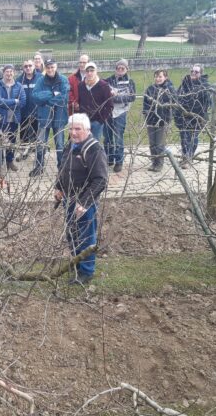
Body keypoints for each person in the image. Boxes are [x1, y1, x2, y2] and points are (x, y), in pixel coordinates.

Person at [54, 113, 108, 285]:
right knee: (72, 235)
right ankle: (77, 264)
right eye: (71, 129)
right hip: (68, 199)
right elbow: (63, 168)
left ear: (88, 129)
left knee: (86, 237)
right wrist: (59, 187)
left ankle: (86, 272)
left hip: (84, 203)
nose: (74, 132)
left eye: (78, 129)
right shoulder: (70, 144)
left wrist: (84, 203)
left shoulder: (94, 149)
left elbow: (100, 180)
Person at [30, 58, 69, 176]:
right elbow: (35, 97)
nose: (50, 69)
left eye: (52, 67)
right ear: (45, 68)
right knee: (40, 143)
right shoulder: (41, 81)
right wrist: (52, 94)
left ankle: (61, 168)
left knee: (60, 144)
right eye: (48, 67)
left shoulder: (63, 80)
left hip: (59, 116)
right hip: (44, 117)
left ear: (56, 67)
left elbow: (64, 98)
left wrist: (47, 101)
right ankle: (39, 166)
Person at [175, 64, 214, 167]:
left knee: (193, 138)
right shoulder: (185, 84)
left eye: (196, 72)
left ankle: (189, 157)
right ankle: (185, 157)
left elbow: (208, 103)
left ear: (200, 73)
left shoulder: (204, 86)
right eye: (192, 71)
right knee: (184, 138)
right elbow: (178, 97)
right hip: (184, 116)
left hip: (197, 117)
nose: (193, 73)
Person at [104, 59, 136, 173]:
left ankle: (119, 161)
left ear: (127, 69)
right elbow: (104, 94)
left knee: (118, 137)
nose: (120, 70)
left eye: (123, 68)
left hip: (121, 113)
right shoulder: (108, 80)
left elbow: (131, 97)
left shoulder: (130, 82)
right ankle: (109, 158)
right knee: (107, 137)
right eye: (118, 68)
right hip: (108, 113)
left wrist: (116, 98)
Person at [0, 64, 26, 176]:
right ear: (3, 73)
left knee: (11, 142)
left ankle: (9, 161)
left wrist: (7, 103)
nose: (9, 74)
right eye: (7, 71)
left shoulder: (19, 86)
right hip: (1, 119)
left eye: (11, 71)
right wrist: (14, 101)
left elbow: (22, 102)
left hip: (13, 119)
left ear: (14, 73)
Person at [142, 69, 176, 172]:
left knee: (159, 143)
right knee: (152, 143)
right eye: (156, 76)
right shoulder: (150, 89)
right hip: (151, 120)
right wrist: (146, 113)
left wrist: (167, 116)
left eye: (160, 76)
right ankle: (154, 162)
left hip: (162, 120)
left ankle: (159, 163)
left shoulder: (169, 89)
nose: (158, 79)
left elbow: (173, 104)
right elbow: (145, 103)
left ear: (165, 77)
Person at [75, 62, 113, 141]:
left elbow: (109, 105)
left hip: (97, 121)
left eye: (92, 71)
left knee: (94, 143)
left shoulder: (103, 85)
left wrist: (101, 120)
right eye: (87, 71)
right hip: (84, 121)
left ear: (96, 71)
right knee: (83, 142)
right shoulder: (81, 85)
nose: (89, 73)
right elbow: (80, 101)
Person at [16, 59, 43, 161]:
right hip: (23, 112)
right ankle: (23, 153)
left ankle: (37, 156)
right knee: (23, 135)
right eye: (25, 66)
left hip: (37, 112)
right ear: (23, 68)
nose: (28, 68)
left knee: (36, 135)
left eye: (30, 65)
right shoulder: (19, 80)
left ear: (34, 66)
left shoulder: (40, 78)